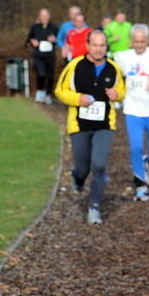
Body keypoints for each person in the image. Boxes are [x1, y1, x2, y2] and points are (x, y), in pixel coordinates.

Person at [54, 29, 125, 225]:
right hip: (79, 124)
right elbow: (60, 91)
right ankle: (77, 179)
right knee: (82, 167)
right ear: (87, 46)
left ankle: (94, 207)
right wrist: (78, 98)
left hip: (105, 124)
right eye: (94, 45)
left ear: (106, 47)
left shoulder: (114, 68)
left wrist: (117, 94)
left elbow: (122, 89)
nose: (98, 49)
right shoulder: (75, 65)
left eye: (102, 45)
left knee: (99, 165)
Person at [114, 24, 149, 201]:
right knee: (136, 147)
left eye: (142, 41)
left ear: (148, 40)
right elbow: (109, 67)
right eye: (136, 41)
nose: (139, 45)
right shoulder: (122, 57)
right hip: (133, 109)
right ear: (131, 41)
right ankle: (140, 187)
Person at [26, 8, 59, 104]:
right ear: (39, 17)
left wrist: (54, 40)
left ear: (49, 17)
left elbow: (60, 41)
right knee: (41, 73)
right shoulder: (35, 27)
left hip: (50, 56)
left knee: (50, 76)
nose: (44, 18)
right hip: (38, 55)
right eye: (42, 16)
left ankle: (48, 94)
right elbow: (28, 41)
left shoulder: (54, 27)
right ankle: (40, 92)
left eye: (46, 16)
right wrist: (32, 42)